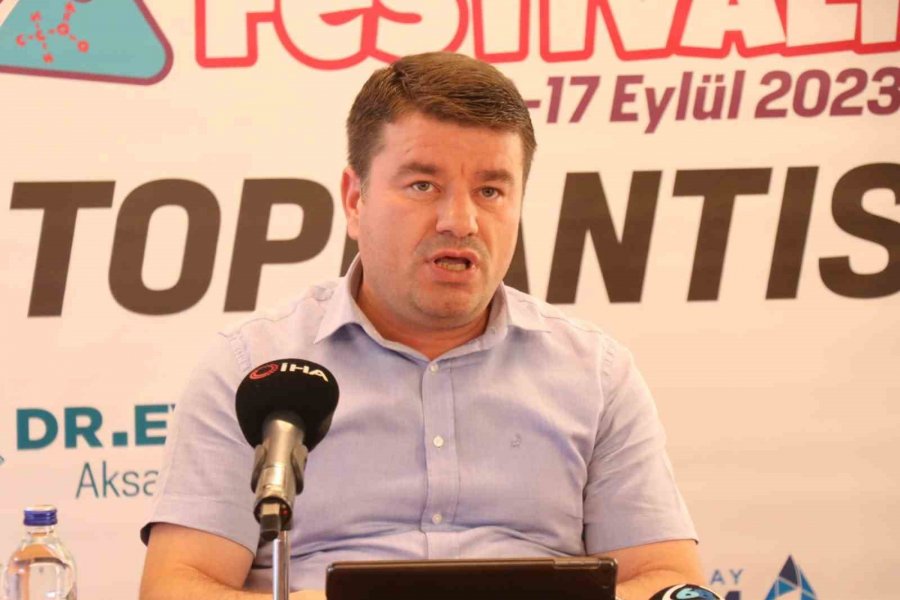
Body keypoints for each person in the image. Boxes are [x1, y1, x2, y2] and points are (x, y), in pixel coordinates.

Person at [139, 52, 702, 600]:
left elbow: (668, 580)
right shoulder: (255, 368)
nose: (460, 221)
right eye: (423, 186)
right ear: (355, 200)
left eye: (490, 191)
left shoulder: (595, 373)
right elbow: (175, 587)